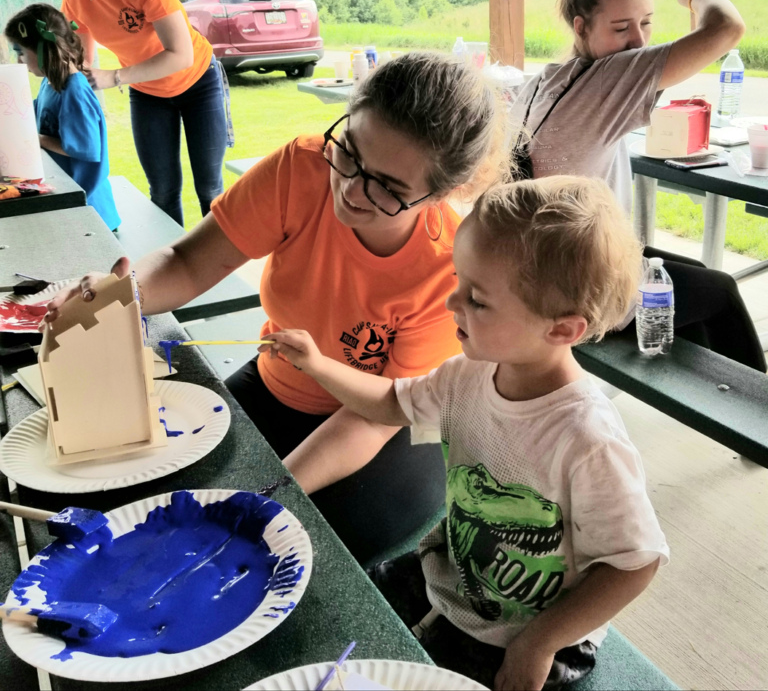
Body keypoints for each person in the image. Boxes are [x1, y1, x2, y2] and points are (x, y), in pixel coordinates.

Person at [45, 51, 509, 565]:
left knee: (304, 552)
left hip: (387, 429)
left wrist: (274, 489)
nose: (351, 189)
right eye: (349, 152)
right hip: (278, 385)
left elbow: (378, 415)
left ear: (443, 193)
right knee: (156, 497)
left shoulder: (445, 269)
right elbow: (189, 261)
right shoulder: (303, 168)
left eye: (388, 188)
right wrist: (121, 297)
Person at [266, 176, 670, 691]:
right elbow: (391, 404)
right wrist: (318, 365)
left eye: (476, 300)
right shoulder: (468, 373)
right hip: (450, 575)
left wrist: (538, 642)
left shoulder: (587, 438)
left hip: (533, 628)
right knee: (344, 621)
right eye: (458, 281)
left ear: (562, 329)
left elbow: (634, 564)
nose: (450, 304)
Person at [511, 0, 766, 372]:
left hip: (535, 269)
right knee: (721, 291)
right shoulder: (611, 79)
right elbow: (725, 29)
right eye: (622, 27)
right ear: (582, 27)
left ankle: (717, 394)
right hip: (578, 288)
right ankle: (753, 428)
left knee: (694, 280)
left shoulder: (546, 82)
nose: (639, 41)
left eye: (646, 23)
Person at [30, 0, 227, 227]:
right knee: (163, 190)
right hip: (148, 94)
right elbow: (80, 61)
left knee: (210, 188)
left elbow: (181, 54)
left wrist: (115, 76)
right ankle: (172, 270)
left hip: (198, 84)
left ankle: (220, 272)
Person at [4, 3, 120, 231]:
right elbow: (32, 116)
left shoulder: (74, 90)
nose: (19, 61)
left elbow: (85, 147)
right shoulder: (51, 83)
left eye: (21, 53)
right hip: (68, 198)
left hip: (91, 211)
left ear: (41, 49)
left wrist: (36, 138)